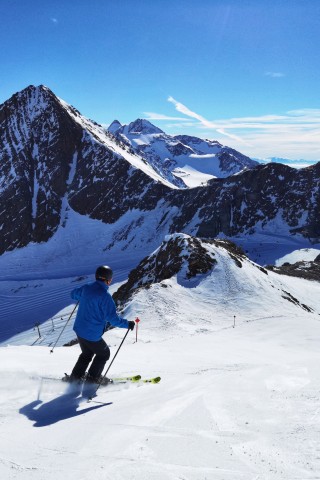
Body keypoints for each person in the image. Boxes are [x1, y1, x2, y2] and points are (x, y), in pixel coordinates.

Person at [68, 265, 135, 383]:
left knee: (87, 353)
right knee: (104, 354)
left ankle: (75, 377)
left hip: (79, 330)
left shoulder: (86, 288)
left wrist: (84, 295)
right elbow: (113, 319)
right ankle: (93, 378)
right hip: (92, 334)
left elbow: (73, 294)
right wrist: (128, 324)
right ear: (108, 280)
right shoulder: (105, 297)